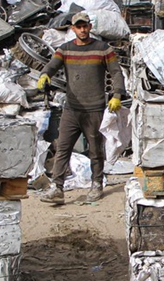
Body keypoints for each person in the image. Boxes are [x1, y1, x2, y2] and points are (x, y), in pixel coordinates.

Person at [37, 11, 125, 204]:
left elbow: (116, 72)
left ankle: (96, 185)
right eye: (79, 26)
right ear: (73, 28)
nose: (83, 29)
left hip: (94, 108)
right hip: (72, 108)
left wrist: (117, 94)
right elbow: (52, 65)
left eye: (85, 26)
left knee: (95, 149)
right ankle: (57, 188)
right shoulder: (66, 49)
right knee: (63, 147)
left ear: (90, 27)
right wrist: (45, 74)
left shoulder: (103, 49)